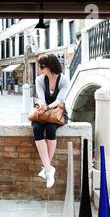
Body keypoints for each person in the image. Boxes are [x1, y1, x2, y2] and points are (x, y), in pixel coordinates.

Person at [32, 54, 70, 188]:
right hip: (43, 112)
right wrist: (42, 107)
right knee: (36, 129)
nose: (40, 69)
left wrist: (48, 107)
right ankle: (49, 169)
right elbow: (41, 97)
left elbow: (60, 99)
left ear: (50, 66)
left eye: (42, 66)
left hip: (57, 112)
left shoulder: (64, 80)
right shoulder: (40, 80)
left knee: (50, 129)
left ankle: (46, 169)